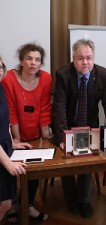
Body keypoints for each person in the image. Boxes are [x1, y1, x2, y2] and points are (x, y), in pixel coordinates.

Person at [52, 39, 106, 218]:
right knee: (67, 161)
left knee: (87, 162)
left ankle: (84, 199)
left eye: (89, 58)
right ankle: (70, 198)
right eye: (80, 58)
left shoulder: (101, 74)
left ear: (93, 58)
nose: (85, 62)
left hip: (89, 125)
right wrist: (62, 138)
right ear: (73, 58)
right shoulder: (63, 75)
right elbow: (59, 109)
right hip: (67, 124)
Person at [1, 43, 51, 222]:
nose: (33, 63)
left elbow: (45, 107)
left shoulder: (46, 78)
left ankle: (28, 205)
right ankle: (14, 205)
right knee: (12, 172)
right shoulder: (8, 79)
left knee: (34, 170)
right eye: (29, 58)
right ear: (21, 61)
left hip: (36, 134)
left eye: (37, 60)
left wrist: (45, 135)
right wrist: (16, 138)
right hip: (13, 136)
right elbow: (10, 111)